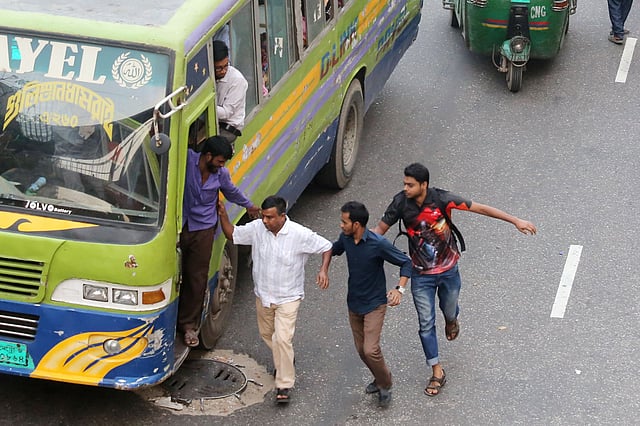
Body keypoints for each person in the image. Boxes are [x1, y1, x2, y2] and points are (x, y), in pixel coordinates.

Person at [372, 163, 537, 397]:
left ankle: (451, 320)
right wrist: (358, 242)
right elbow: (379, 229)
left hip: (449, 271)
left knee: (449, 309)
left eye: (410, 185)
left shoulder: (442, 199)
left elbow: (480, 208)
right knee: (426, 323)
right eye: (404, 184)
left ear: (424, 185)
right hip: (421, 275)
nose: (405, 188)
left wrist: (515, 220)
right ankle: (437, 371)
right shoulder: (400, 203)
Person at [218, 195, 332, 403]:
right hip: (264, 295)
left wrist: (323, 270)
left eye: (270, 218)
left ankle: (284, 385)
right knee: (267, 335)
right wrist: (224, 216)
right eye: (263, 217)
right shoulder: (257, 229)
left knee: (282, 339)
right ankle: (285, 357)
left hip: (289, 296)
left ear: (282, 216)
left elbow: (326, 246)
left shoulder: (299, 234)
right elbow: (232, 234)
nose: (265, 221)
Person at [179, 135, 260, 348]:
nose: (222, 166)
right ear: (208, 156)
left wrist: (249, 206)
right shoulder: (186, 160)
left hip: (204, 229)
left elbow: (232, 192)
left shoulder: (221, 174)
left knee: (197, 277)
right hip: (180, 225)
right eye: (220, 161)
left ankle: (189, 325)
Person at [331, 201, 412, 408]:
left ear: (356, 224)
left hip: (375, 304)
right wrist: (320, 266)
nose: (341, 225)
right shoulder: (346, 239)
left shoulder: (378, 243)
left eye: (344, 222)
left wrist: (399, 289)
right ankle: (379, 378)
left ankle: (385, 384)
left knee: (370, 350)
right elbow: (332, 250)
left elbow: (406, 262)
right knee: (361, 350)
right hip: (354, 303)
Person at [213, 40, 248, 143]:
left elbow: (226, 113)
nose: (223, 71)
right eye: (218, 68)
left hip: (227, 129)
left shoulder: (237, 81)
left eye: (226, 66)